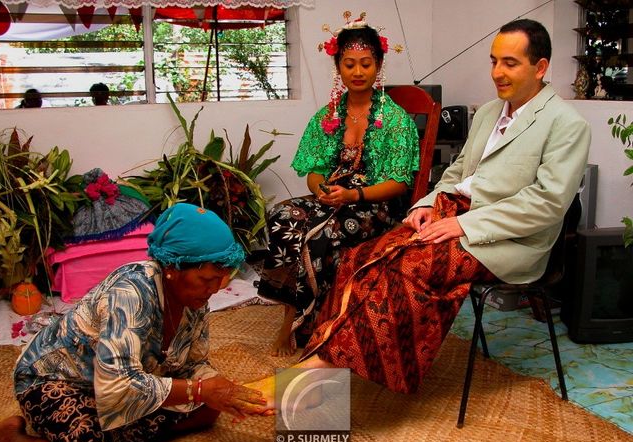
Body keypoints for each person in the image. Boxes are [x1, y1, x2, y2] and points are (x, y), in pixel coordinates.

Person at [247, 19, 591, 406]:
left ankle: (317, 376)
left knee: (411, 268)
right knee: (364, 257)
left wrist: (460, 223)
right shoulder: (490, 111)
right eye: (494, 61)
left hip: (506, 237)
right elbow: (457, 173)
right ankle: (324, 353)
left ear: (540, 67)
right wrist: (427, 205)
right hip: (453, 212)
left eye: (510, 63)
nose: (497, 72)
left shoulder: (566, 124)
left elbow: (546, 205)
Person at [0, 203, 268, 442]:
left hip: (123, 380)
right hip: (58, 380)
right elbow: (117, 383)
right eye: (206, 279)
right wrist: (200, 390)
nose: (213, 290)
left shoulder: (193, 299)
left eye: (220, 280)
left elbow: (193, 363)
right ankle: (10, 438)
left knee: (209, 409)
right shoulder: (130, 292)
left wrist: (223, 389)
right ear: (172, 266)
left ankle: (123, 434)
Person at [257, 12, 419, 357]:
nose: (357, 72)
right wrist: (320, 190)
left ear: (379, 65)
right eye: (349, 65)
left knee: (317, 236)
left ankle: (312, 326)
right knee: (283, 215)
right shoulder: (328, 115)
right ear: (338, 68)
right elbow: (313, 169)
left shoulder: (395, 119)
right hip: (334, 197)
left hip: (376, 206)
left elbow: (399, 183)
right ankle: (290, 312)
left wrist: (354, 194)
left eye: (365, 64)